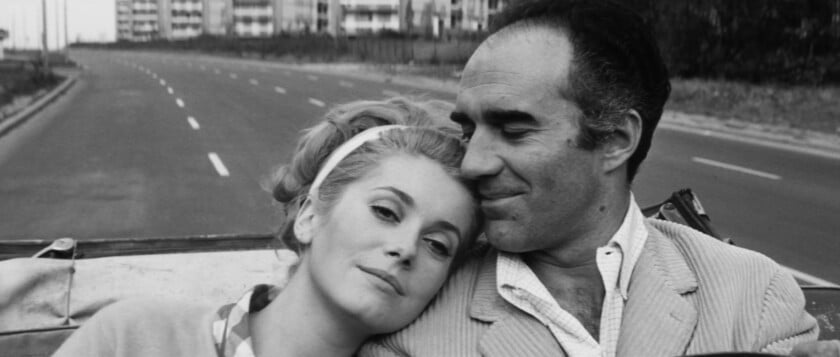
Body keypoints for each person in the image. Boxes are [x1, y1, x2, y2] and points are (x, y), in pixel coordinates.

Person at [360, 1, 820, 356]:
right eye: (468, 130)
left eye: (514, 130)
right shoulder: (411, 312)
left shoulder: (754, 294)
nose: (472, 163)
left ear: (616, 140)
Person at [51, 97, 482, 357]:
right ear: (311, 216)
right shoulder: (134, 338)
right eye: (386, 212)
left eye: (438, 245)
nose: (406, 248)